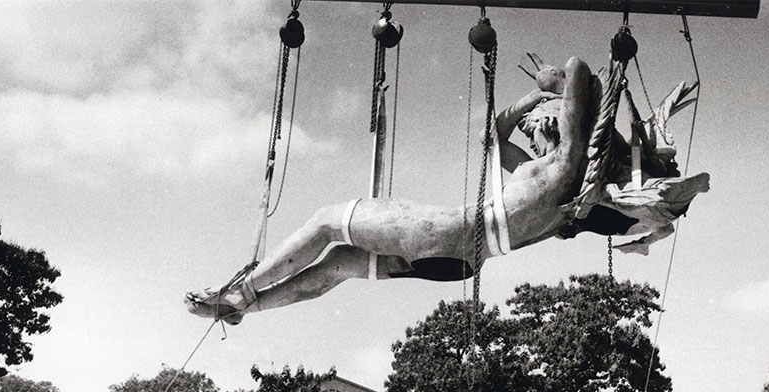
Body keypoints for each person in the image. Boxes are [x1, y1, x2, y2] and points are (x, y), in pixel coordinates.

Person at [186, 56, 709, 324]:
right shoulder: (553, 192)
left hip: (452, 232)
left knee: (327, 220)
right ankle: (241, 311)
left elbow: (578, 70)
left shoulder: (563, 169)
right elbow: (494, 136)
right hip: (464, 259)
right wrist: (528, 102)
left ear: (559, 124)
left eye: (540, 122)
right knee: (336, 264)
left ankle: (240, 292)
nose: (532, 128)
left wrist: (549, 85)